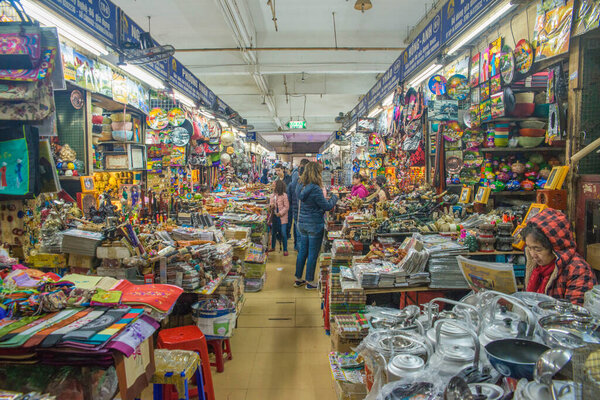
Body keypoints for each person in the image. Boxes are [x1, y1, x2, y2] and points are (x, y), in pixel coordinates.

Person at [522, 208, 596, 305]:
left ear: (555, 249)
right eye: (530, 248)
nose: (533, 255)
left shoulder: (579, 271)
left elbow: (575, 314)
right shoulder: (537, 267)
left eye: (538, 249)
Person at [295, 162, 338, 289]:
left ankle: (298, 278)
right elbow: (327, 206)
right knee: (313, 253)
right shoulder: (315, 188)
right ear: (316, 173)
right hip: (314, 224)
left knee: (303, 251)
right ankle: (309, 281)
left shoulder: (300, 185)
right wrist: (335, 197)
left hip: (302, 223)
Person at [288, 159, 310, 251]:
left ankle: (297, 246)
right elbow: (294, 190)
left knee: (297, 226)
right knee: (298, 228)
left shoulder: (295, 174)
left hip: (296, 204)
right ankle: (299, 248)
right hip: (297, 205)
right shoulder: (297, 176)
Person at [268, 179, 290, 255]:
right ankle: (273, 247)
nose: (272, 187)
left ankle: (285, 249)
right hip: (274, 217)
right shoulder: (272, 195)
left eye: (274, 186)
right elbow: (270, 204)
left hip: (282, 218)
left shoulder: (284, 195)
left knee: (283, 233)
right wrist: (271, 206)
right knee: (273, 232)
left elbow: (286, 207)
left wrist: (280, 213)